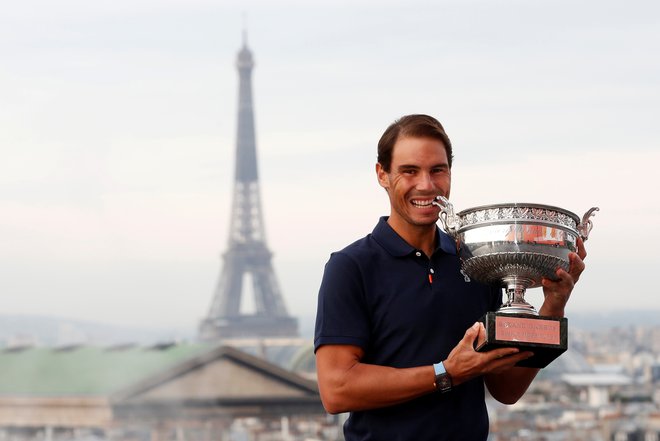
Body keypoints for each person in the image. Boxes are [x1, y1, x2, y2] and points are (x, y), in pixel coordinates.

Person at [314, 114, 587, 440]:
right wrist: (447, 373)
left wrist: (553, 306)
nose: (426, 185)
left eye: (437, 170)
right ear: (382, 174)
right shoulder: (351, 267)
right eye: (409, 171)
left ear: (450, 174)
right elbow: (336, 390)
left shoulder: (479, 263)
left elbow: (505, 389)